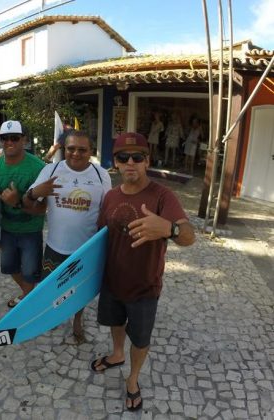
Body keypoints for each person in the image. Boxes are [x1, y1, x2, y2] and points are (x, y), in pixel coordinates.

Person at [91, 132, 195, 411]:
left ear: (147, 161)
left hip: (145, 287)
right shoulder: (110, 196)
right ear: (115, 162)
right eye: (124, 158)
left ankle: (133, 380)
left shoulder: (163, 196)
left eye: (138, 157)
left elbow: (189, 236)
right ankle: (116, 354)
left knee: (140, 337)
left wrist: (169, 229)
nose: (131, 163)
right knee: (115, 323)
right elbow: (100, 237)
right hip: (112, 282)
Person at [23, 130, 112, 344]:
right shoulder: (51, 170)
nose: (76, 153)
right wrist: (35, 193)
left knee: (80, 290)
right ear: (64, 149)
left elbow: (108, 212)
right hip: (55, 246)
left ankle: (77, 321)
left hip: (86, 249)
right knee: (52, 287)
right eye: (71, 148)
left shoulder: (101, 175)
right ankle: (53, 315)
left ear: (91, 151)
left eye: (82, 149)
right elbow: (28, 205)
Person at [0, 120, 45, 306]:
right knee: (10, 267)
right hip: (7, 230)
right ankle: (29, 296)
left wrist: (17, 202)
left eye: (14, 138)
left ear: (24, 140)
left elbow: (43, 208)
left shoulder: (38, 167)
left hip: (31, 229)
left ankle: (28, 301)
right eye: (4, 138)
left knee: (30, 272)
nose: (9, 142)